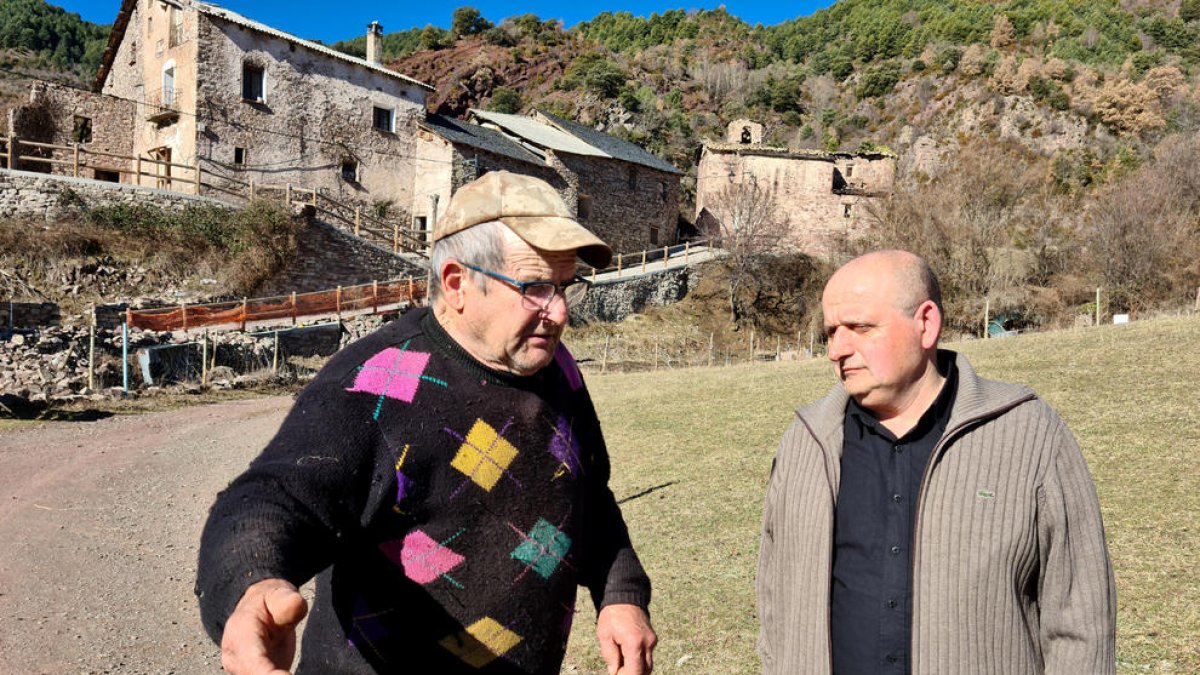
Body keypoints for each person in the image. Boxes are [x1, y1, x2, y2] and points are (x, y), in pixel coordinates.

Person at [196, 171, 656, 674]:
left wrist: (621, 592)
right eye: (536, 288)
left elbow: (590, 494)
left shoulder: (557, 368)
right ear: (458, 283)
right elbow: (271, 497)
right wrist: (252, 584)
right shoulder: (378, 381)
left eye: (566, 287)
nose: (561, 312)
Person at [756, 250, 1115, 674]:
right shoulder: (805, 443)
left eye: (860, 328)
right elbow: (774, 602)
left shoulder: (1029, 434)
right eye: (831, 332)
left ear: (925, 324)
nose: (837, 349)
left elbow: (1081, 618)